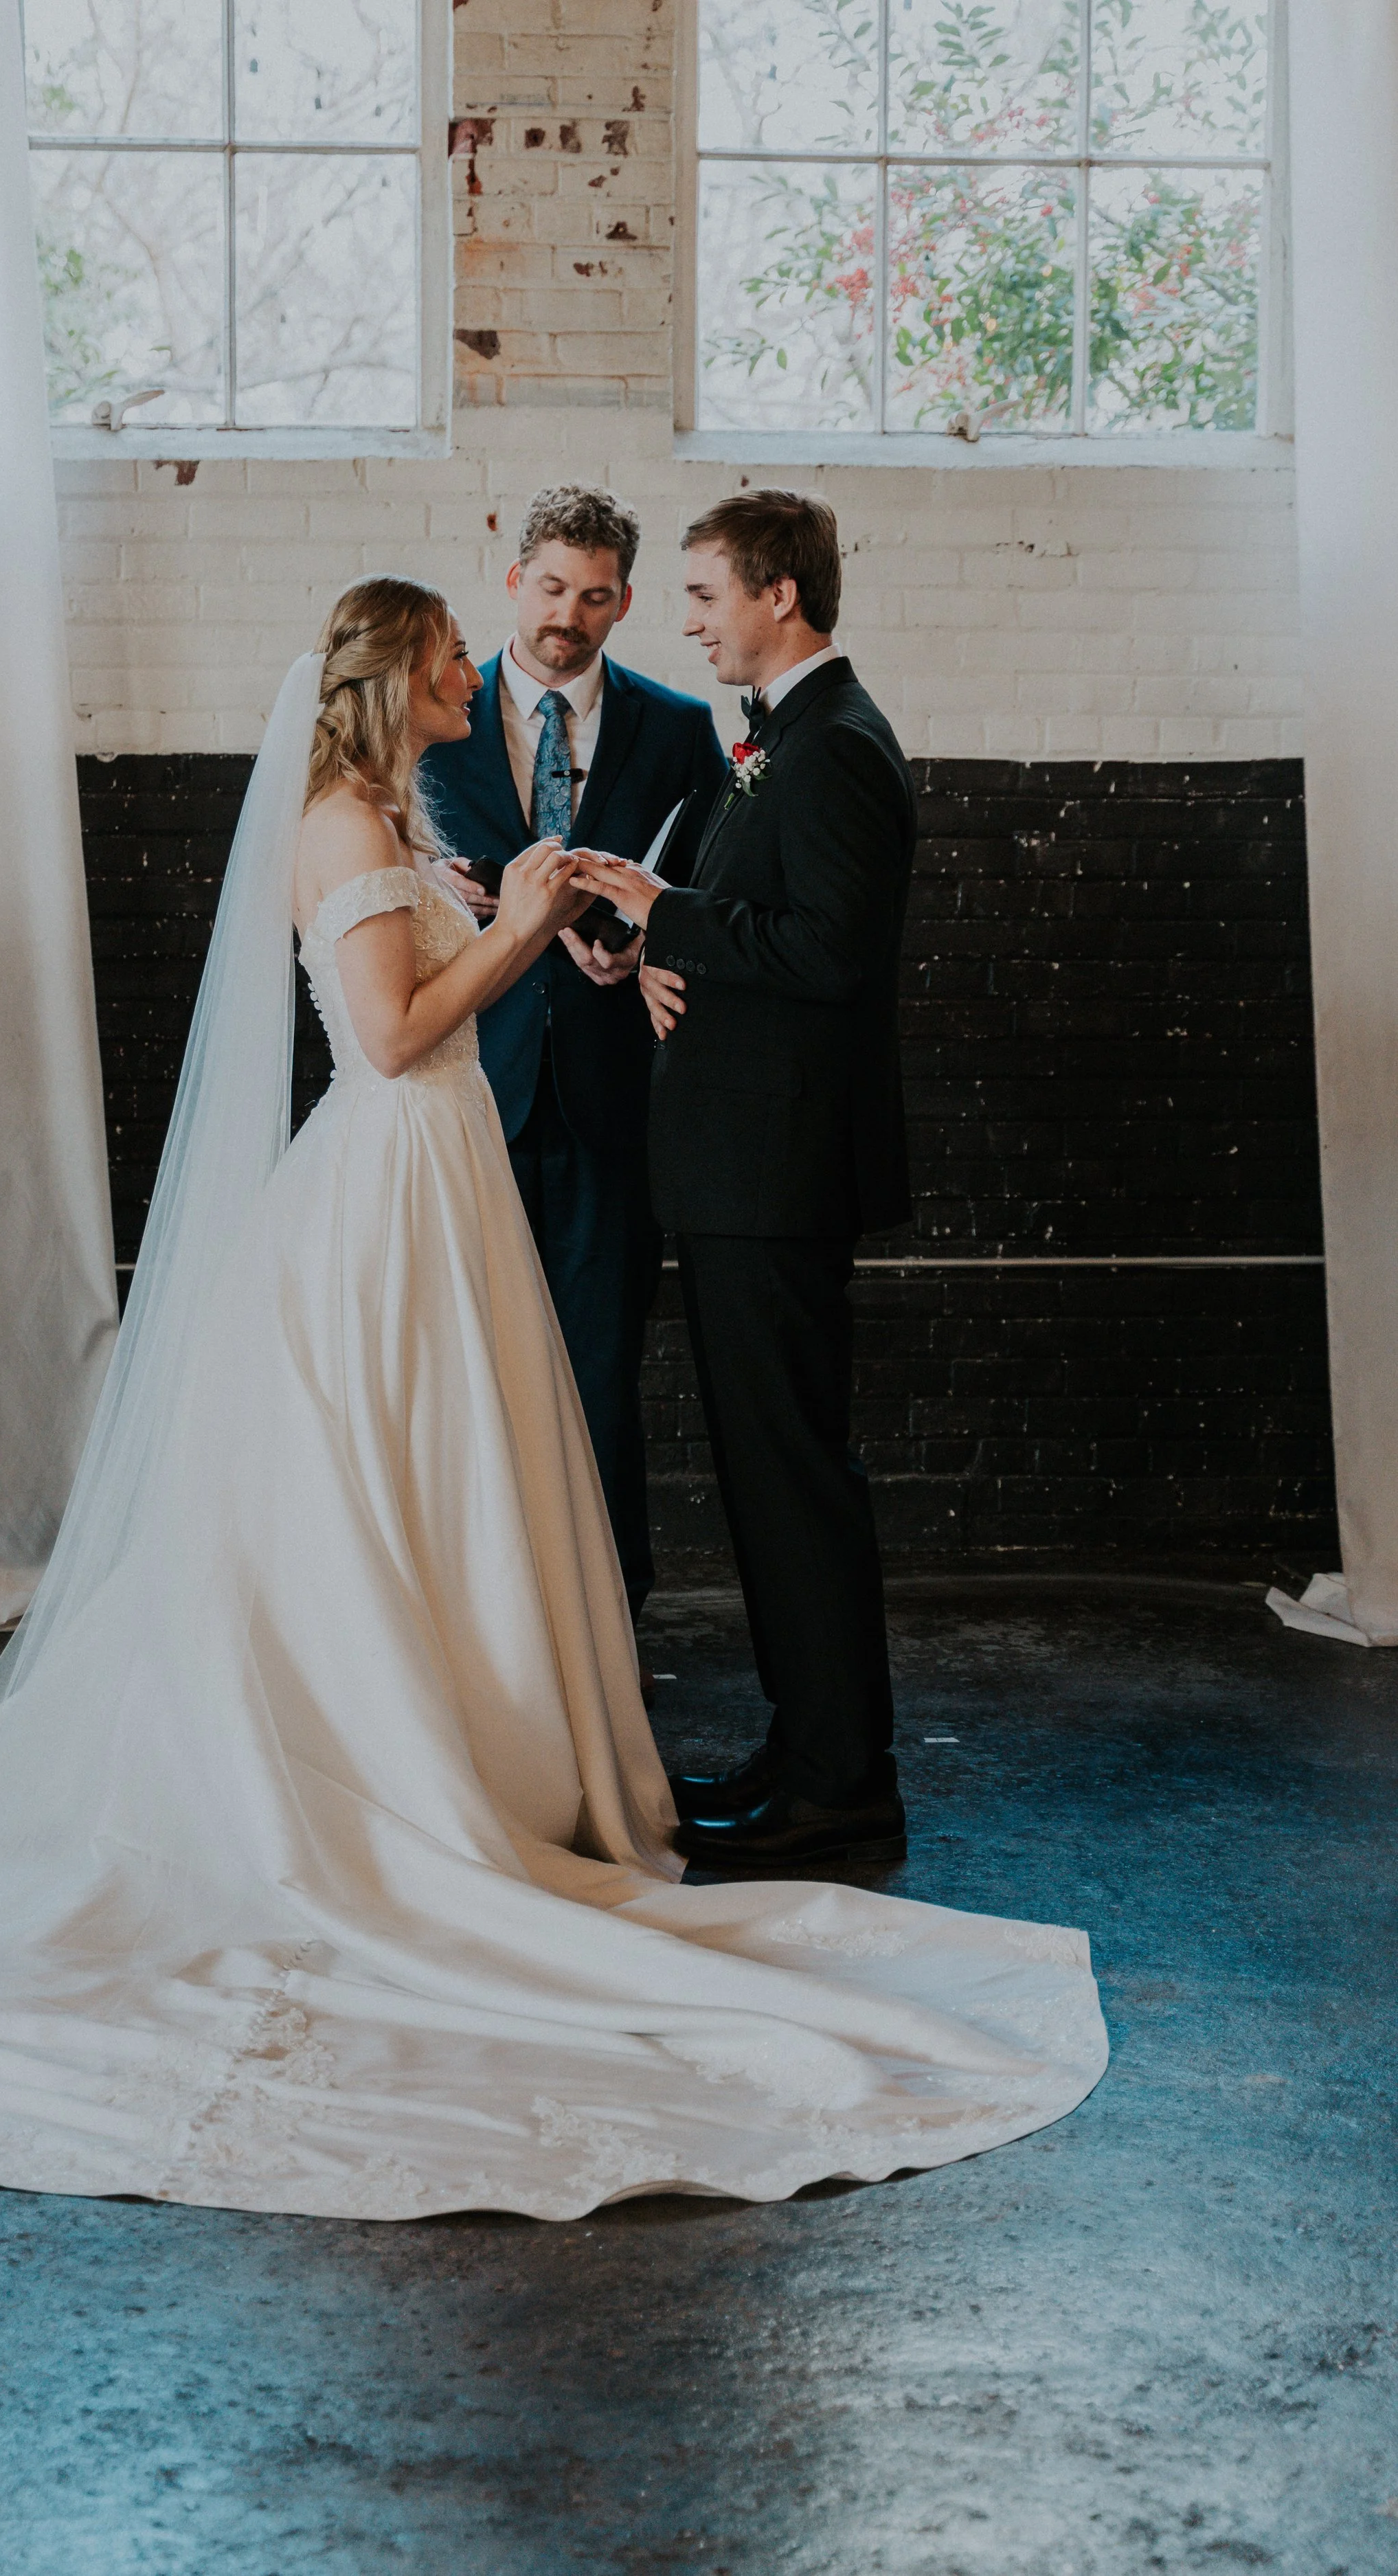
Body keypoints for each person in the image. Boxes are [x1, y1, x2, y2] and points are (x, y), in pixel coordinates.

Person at [0, 578, 1103, 2219]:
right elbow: (385, 1036)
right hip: (389, 1181)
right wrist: (507, 921)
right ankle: (385, 1789)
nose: (465, 676)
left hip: (448, 1186)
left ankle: (481, 1754)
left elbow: (457, 971)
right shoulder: (342, 830)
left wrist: (555, 920)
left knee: (454, 1485)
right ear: (396, 678)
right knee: (377, 1487)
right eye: (445, 659)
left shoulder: (391, 810)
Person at [572, 490, 915, 1876]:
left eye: (705, 593)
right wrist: (642, 946)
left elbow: (830, 952)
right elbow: (746, 925)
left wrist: (669, 916)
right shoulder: (780, 741)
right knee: (768, 1476)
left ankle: (840, 1785)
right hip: (734, 1170)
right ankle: (802, 1751)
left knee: (790, 1480)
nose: (687, 619)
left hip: (774, 1174)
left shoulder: (834, 747)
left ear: (779, 594)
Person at [422, 486, 727, 1634]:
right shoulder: (437, 715)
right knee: (466, 1366)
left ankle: (604, 1614)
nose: (570, 616)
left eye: (596, 597)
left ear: (625, 603)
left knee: (598, 1366)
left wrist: (648, 938)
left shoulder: (678, 727)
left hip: (613, 1100)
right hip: (467, 1086)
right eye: (552, 588)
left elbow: (700, 892)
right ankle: (474, 1611)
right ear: (514, 579)